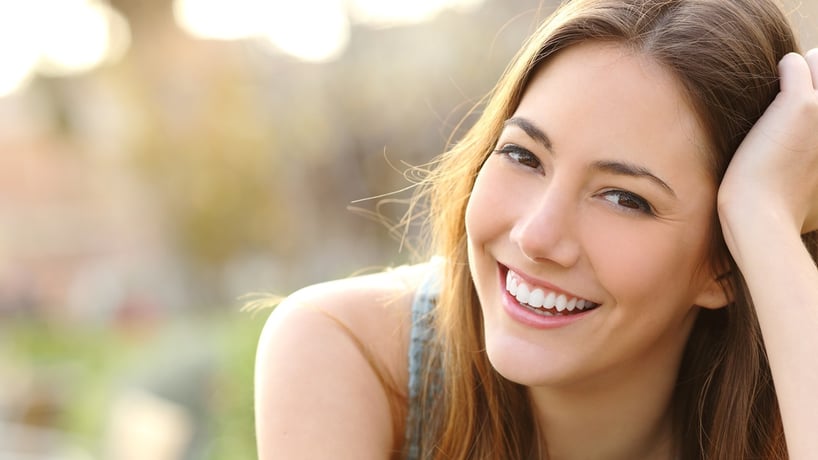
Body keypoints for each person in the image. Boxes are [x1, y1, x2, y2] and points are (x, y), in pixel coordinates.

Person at [254, 0, 818, 458]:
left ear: (725, 263)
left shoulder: (789, 400)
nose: (536, 235)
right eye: (524, 157)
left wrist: (766, 222)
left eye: (624, 198)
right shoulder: (352, 354)